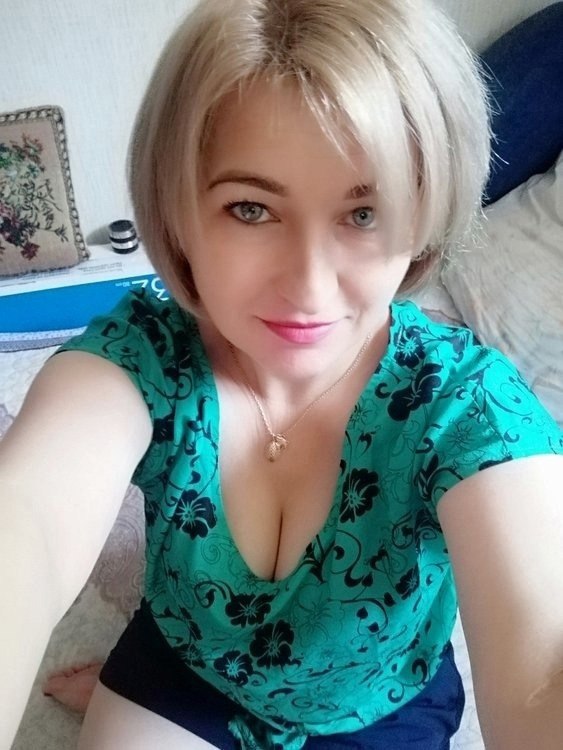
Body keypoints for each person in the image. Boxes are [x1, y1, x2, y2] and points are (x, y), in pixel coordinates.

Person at [2, 0, 563, 748]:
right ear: (177, 211)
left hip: (377, 700)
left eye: (362, 214)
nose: (308, 285)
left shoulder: (461, 404)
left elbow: (540, 675)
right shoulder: (144, 359)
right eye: (251, 209)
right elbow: (26, 525)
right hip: (189, 667)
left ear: (424, 216)